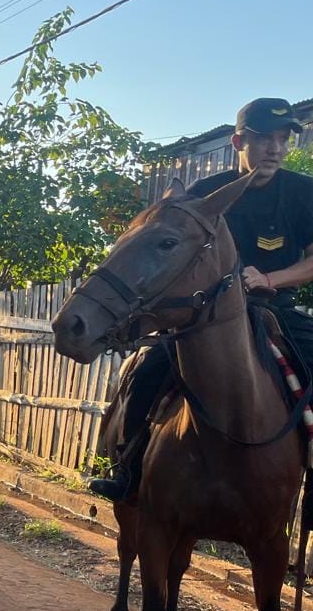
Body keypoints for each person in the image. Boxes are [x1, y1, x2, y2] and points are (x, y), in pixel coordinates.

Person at [90, 97, 313, 501]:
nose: (275, 149)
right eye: (264, 138)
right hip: (202, 315)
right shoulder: (206, 193)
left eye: (283, 139)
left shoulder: (303, 193)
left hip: (273, 308)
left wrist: (268, 277)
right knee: (146, 373)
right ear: (238, 141)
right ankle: (127, 470)